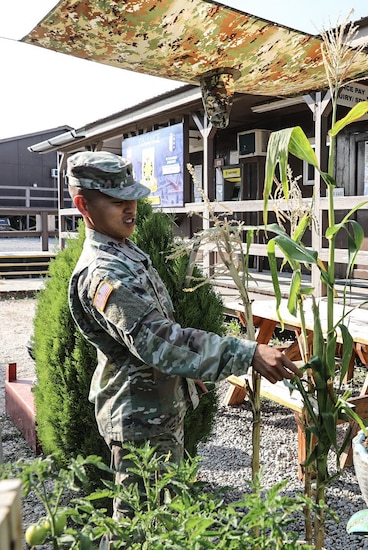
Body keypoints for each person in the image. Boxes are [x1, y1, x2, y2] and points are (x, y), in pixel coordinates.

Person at [66, 150, 300, 518]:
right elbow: (160, 343)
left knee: (164, 515)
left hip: (158, 409)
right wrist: (247, 352)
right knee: (139, 525)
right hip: (139, 423)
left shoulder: (125, 251)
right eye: (116, 202)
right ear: (84, 205)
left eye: (133, 200)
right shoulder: (103, 273)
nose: (130, 211)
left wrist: (186, 373)